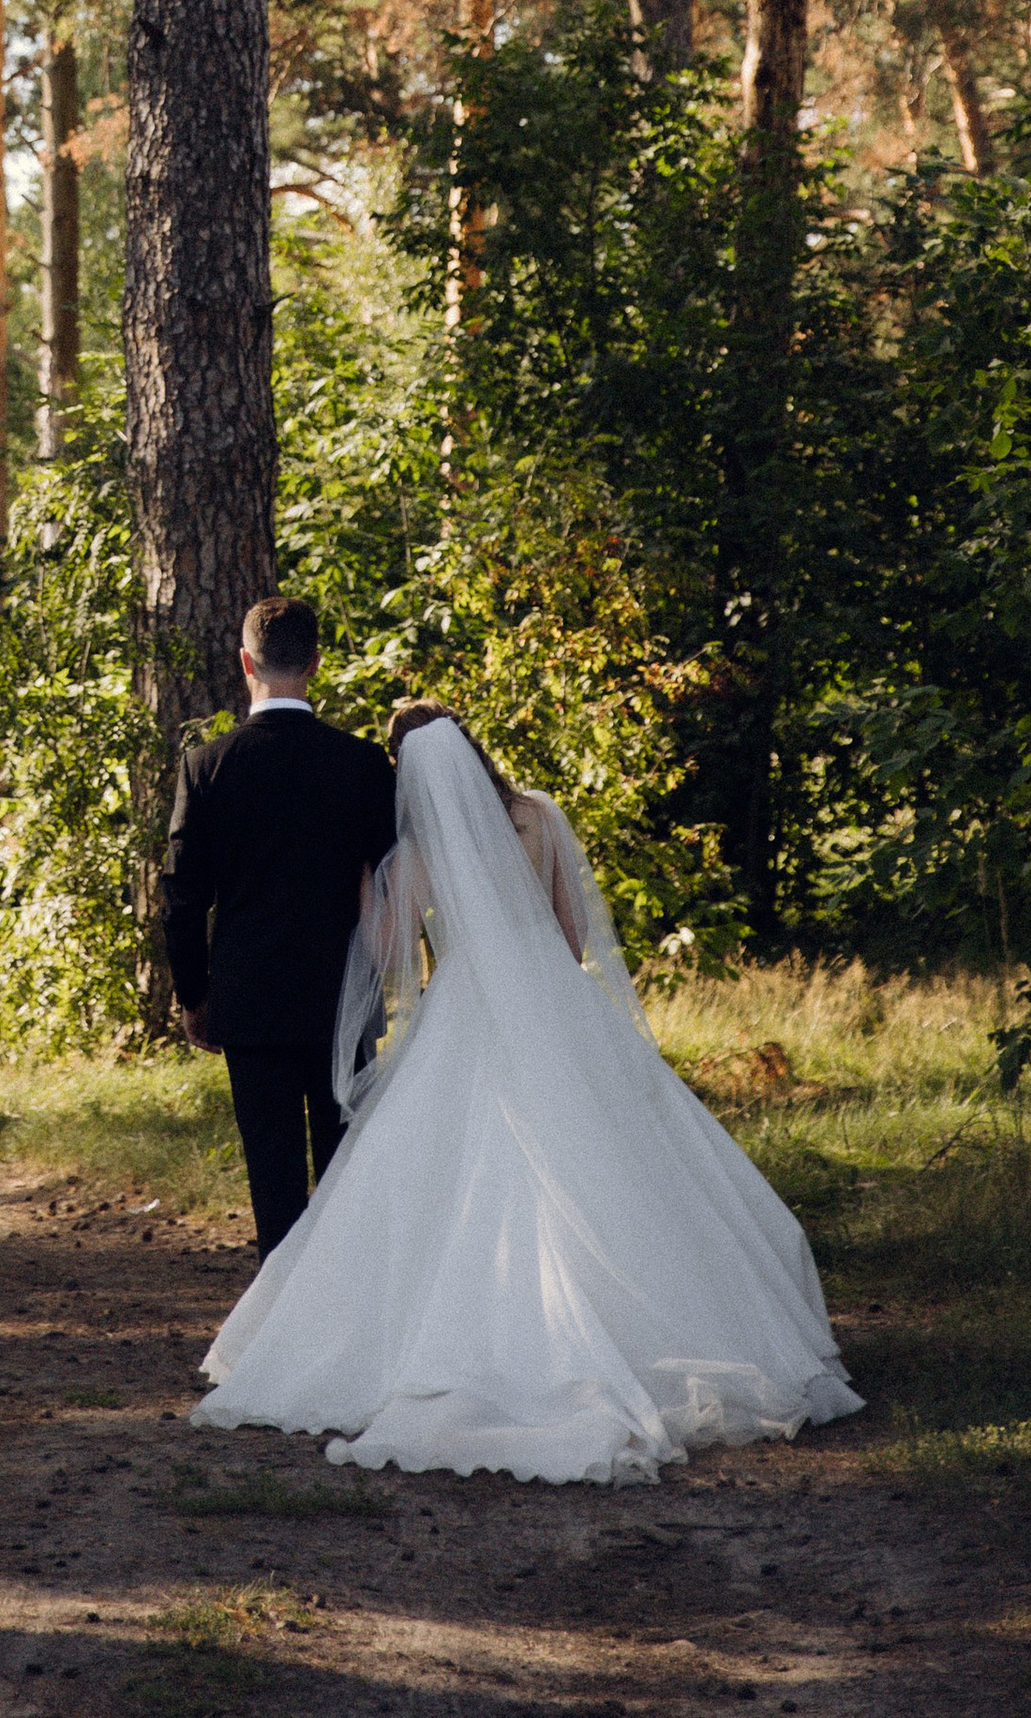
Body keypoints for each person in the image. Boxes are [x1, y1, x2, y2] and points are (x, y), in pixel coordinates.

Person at [191, 702, 862, 1487]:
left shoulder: (419, 853)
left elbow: (385, 951)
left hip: (465, 1009)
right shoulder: (540, 816)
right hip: (554, 1004)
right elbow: (572, 938)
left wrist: (369, 892)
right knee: (609, 1161)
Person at [159, 595, 397, 1257]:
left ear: (245, 663)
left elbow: (181, 896)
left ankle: (282, 1307)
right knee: (347, 1174)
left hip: (251, 998)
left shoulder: (207, 766)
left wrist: (194, 994)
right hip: (344, 997)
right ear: (315, 663)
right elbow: (391, 883)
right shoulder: (361, 764)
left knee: (274, 1180)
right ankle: (349, 1303)